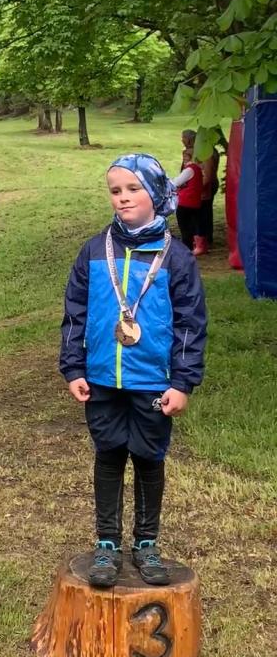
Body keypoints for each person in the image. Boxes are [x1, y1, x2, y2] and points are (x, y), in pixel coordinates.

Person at [60, 153, 206, 588]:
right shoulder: (94, 250)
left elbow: (190, 324)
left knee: (148, 457)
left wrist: (183, 382)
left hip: (153, 381)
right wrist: (73, 367)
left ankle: (146, 543)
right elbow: (74, 314)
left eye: (132, 189)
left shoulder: (176, 258)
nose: (122, 198)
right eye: (115, 191)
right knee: (108, 454)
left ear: (156, 194)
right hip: (102, 377)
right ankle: (107, 542)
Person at [175, 148, 205, 255]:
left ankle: (186, 249)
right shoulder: (198, 169)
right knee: (193, 224)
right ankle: (196, 246)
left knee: (185, 227)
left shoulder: (189, 170)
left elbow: (176, 182)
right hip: (195, 202)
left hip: (185, 202)